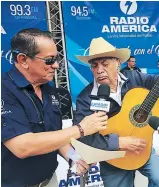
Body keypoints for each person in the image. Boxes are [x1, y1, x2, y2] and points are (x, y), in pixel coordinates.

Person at [73, 37, 159, 187]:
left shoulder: (134, 78)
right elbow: (83, 136)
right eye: (94, 65)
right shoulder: (85, 98)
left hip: (142, 148)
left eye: (104, 64)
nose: (99, 70)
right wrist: (119, 142)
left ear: (117, 63)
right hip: (112, 157)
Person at [1, 28, 108, 187]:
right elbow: (22, 146)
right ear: (23, 60)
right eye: (49, 60)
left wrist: (73, 157)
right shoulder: (4, 91)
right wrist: (81, 128)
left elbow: (55, 135)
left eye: (57, 58)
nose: (57, 65)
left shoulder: (49, 89)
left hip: (49, 180)